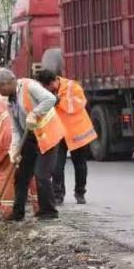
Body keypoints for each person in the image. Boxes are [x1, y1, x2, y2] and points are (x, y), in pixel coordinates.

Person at [0, 68, 64, 221]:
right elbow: (16, 129)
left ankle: (49, 212)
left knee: (41, 174)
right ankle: (17, 213)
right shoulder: (9, 101)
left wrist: (34, 113)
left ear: (8, 83)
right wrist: (14, 150)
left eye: (0, 88)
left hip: (47, 135)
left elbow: (50, 99)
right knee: (22, 175)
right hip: (30, 138)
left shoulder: (28, 86)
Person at [0, 84, 39, 219]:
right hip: (25, 135)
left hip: (8, 138)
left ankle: (8, 211)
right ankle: (39, 207)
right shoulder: (9, 98)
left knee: (4, 173)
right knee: (30, 173)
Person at [35, 69, 96, 205]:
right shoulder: (46, 92)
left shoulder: (72, 86)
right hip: (58, 132)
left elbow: (78, 104)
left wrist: (58, 101)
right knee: (57, 166)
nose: (45, 90)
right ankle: (58, 195)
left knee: (80, 165)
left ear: (52, 82)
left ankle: (80, 192)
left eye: (46, 87)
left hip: (77, 132)